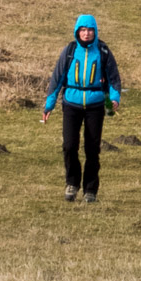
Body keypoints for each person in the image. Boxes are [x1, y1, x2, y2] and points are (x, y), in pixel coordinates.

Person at [42, 13, 122, 203]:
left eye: (90, 30)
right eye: (83, 30)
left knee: (92, 149)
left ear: (95, 32)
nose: (86, 34)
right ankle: (72, 183)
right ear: (77, 32)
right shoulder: (69, 51)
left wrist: (115, 98)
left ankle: (90, 190)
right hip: (71, 104)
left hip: (95, 106)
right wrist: (49, 105)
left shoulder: (103, 52)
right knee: (69, 146)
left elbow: (114, 79)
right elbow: (57, 79)